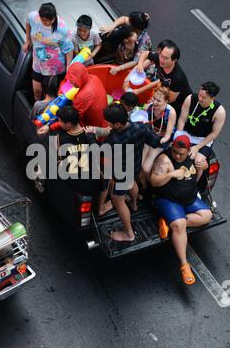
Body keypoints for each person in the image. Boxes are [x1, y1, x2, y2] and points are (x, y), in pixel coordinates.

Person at [150, 135, 212, 285]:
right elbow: (153, 181)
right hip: (169, 200)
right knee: (180, 224)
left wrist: (203, 168)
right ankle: (184, 265)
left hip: (189, 198)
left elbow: (199, 174)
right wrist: (171, 174)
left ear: (189, 150)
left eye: (181, 154)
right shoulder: (165, 160)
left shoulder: (193, 156)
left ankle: (169, 223)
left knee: (207, 215)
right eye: (175, 152)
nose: (177, 156)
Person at [98, 103, 161, 241]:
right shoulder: (140, 127)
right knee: (132, 183)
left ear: (118, 124)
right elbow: (156, 142)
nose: (108, 124)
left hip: (120, 174)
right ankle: (134, 204)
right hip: (135, 167)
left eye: (110, 122)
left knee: (117, 200)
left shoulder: (112, 140)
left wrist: (92, 137)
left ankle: (128, 234)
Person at [37, 62, 108, 135]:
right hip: (104, 118)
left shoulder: (82, 97)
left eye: (73, 81)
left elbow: (72, 118)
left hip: (93, 126)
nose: (71, 84)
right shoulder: (94, 78)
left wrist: (50, 127)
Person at [23, 2, 74, 101]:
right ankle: (38, 108)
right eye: (44, 21)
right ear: (39, 15)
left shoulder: (62, 28)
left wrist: (69, 67)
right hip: (38, 63)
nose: (47, 23)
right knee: (37, 92)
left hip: (54, 69)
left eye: (50, 21)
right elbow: (28, 22)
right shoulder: (33, 17)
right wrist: (28, 40)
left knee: (49, 97)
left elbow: (69, 49)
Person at [176, 81, 226, 181]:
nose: (200, 99)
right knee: (176, 151)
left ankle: (195, 184)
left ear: (212, 98)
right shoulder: (190, 99)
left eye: (204, 98)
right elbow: (182, 119)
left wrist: (197, 148)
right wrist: (179, 137)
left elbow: (214, 134)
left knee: (198, 161)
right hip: (186, 133)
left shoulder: (219, 112)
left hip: (203, 139)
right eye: (199, 95)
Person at [135, 40, 192, 117]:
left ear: (174, 60)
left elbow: (170, 99)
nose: (161, 60)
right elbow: (145, 53)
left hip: (179, 103)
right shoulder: (159, 59)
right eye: (161, 55)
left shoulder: (178, 77)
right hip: (164, 91)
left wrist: (153, 102)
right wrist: (140, 64)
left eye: (165, 58)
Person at [55, 105, 101, 197]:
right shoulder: (91, 134)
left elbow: (60, 160)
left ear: (68, 124)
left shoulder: (60, 138)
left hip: (74, 184)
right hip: (94, 183)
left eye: (60, 121)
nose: (59, 123)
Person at [142, 86, 176, 177]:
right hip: (149, 136)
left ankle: (151, 184)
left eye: (159, 101)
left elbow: (167, 135)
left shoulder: (171, 113)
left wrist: (160, 141)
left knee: (146, 168)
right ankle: (144, 183)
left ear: (166, 101)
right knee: (140, 164)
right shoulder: (148, 107)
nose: (155, 102)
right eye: (154, 98)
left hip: (160, 139)